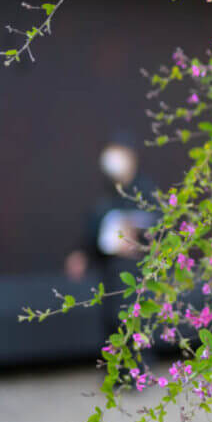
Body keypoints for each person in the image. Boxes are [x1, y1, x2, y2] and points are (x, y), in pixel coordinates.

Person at [65, 135, 157, 351]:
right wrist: (82, 252)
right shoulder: (109, 192)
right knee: (112, 319)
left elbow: (158, 223)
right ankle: (117, 369)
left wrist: (139, 236)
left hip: (135, 268)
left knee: (132, 319)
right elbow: (95, 225)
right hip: (110, 268)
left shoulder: (145, 190)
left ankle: (136, 370)